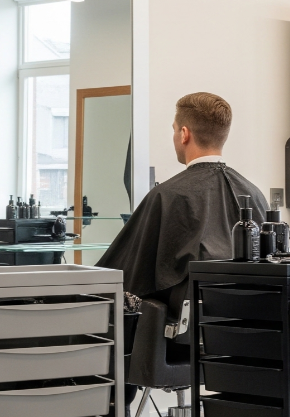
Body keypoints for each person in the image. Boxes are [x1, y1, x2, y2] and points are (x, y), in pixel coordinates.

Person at [97, 91, 268, 314]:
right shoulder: (254, 194)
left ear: (184, 134)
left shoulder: (167, 195)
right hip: (251, 320)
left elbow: (127, 271)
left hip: (187, 328)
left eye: (175, 129)